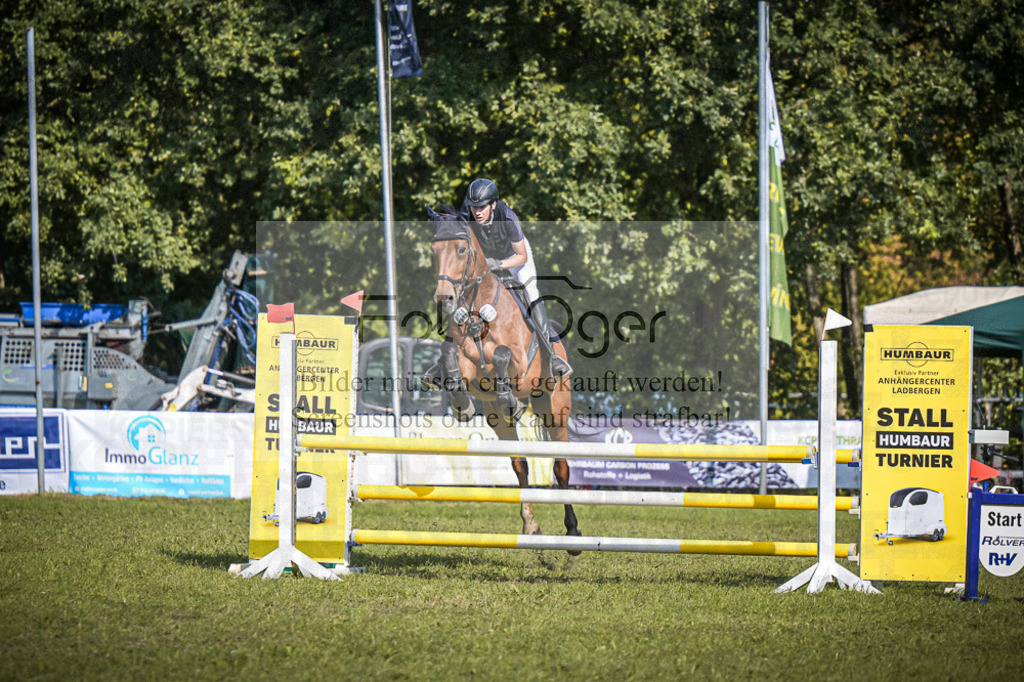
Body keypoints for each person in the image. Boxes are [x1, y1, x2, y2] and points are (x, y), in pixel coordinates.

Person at [425, 178, 572, 386]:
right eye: (474, 207)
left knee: (531, 292)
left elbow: (521, 256)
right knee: (460, 296)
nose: (477, 212)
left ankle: (552, 356)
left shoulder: (508, 217)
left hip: (514, 257)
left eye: (482, 207)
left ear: (493, 204)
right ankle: (443, 363)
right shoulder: (468, 214)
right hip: (486, 259)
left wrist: (500, 264)